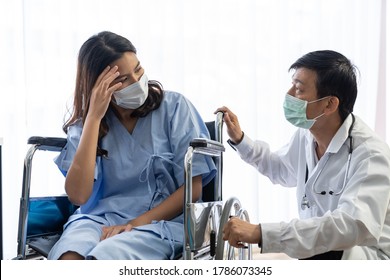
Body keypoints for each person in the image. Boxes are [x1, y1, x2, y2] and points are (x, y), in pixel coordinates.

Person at [48, 31, 216, 260]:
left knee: (106, 256)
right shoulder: (86, 124)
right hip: (97, 219)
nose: (137, 82)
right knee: (69, 257)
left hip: (161, 222)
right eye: (123, 79)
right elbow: (78, 196)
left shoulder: (175, 108)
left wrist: (134, 224)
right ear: (98, 84)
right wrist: (94, 119)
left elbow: (193, 189)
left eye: (138, 70)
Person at [217, 50, 390, 260]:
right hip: (322, 251)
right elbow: (281, 169)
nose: (289, 95)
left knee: (320, 249)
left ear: (329, 104)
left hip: (367, 256)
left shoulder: (371, 154)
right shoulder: (307, 136)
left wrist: (260, 232)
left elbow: (351, 226)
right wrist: (240, 140)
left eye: (298, 89)